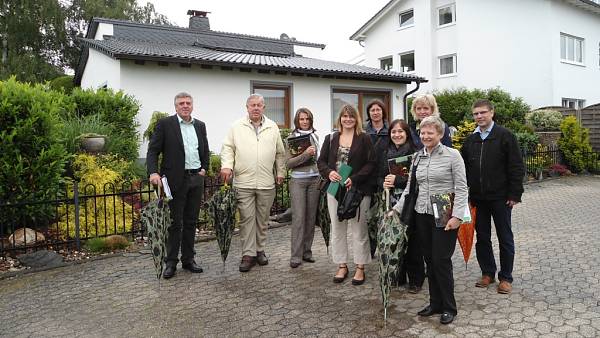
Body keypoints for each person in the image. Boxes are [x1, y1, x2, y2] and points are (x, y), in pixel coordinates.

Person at [393, 115, 468, 325]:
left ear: (440, 134)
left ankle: (448, 306)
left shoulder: (453, 155)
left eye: (430, 133)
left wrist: (457, 216)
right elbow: (410, 188)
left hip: (444, 207)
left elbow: (462, 188)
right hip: (421, 212)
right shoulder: (417, 157)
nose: (425, 136)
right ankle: (435, 303)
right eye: (423, 132)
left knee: (441, 260)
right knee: (429, 260)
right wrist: (396, 209)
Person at [460, 99, 525, 294]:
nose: (479, 116)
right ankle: (487, 272)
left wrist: (514, 194)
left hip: (501, 197)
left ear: (492, 113)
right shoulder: (470, 140)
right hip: (478, 198)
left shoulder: (505, 136)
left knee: (505, 237)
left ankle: (506, 277)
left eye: (483, 112)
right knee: (483, 237)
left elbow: (516, 167)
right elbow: (462, 168)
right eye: (476, 114)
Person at [146, 92, 210, 279]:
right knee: (174, 223)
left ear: (192, 106)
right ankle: (171, 262)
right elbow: (153, 150)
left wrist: (204, 168)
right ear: (175, 107)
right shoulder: (166, 125)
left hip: (195, 179)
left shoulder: (200, 125)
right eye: (181, 103)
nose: (185, 106)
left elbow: (204, 149)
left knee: (191, 222)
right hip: (174, 181)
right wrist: (153, 172)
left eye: (188, 103)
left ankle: (189, 259)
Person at [220, 94, 286, 273]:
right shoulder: (237, 126)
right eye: (252, 105)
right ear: (247, 107)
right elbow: (228, 148)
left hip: (266, 182)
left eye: (259, 105)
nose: (256, 108)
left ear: (264, 107)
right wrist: (226, 166)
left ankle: (259, 250)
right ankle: (248, 254)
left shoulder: (272, 127)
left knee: (262, 220)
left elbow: (280, 153)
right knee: (247, 220)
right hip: (243, 182)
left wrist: (280, 172)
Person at [317, 104, 376, 285]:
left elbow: (371, 163)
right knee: (337, 228)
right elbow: (321, 162)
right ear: (340, 118)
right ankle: (342, 265)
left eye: (351, 116)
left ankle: (360, 267)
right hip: (334, 188)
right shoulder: (331, 138)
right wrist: (329, 173)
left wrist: (355, 178)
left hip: (356, 189)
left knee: (359, 230)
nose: (348, 119)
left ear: (356, 118)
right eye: (344, 116)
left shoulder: (364, 138)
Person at [374, 119, 424, 293]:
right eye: (393, 132)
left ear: (407, 133)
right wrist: (384, 183)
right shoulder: (384, 152)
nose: (397, 135)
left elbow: (417, 181)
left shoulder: (416, 153)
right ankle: (398, 276)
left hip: (410, 202)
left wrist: (398, 180)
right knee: (394, 240)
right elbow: (378, 177)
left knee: (412, 241)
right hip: (390, 202)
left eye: (400, 131)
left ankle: (416, 280)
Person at [285, 108, 320, 268]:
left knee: (311, 218)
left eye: (307, 119)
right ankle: (295, 256)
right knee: (299, 218)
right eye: (301, 119)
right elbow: (288, 164)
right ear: (297, 121)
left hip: (315, 180)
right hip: (298, 181)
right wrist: (306, 154)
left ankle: (307, 252)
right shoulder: (291, 139)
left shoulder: (315, 136)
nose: (304, 122)